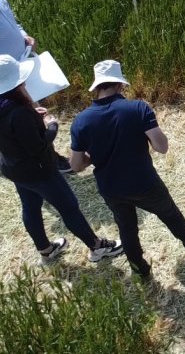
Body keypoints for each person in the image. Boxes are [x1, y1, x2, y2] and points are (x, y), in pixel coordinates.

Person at [70, 60, 185, 280]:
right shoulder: (137, 108)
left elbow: (75, 165)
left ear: (97, 87)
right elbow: (161, 147)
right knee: (170, 213)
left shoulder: (80, 122)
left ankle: (140, 269)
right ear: (120, 85)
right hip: (143, 182)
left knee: (127, 229)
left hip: (110, 188)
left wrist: (94, 155)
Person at [0, 56, 123, 266]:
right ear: (15, 84)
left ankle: (45, 250)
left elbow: (13, 134)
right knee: (69, 207)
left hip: (13, 169)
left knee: (30, 207)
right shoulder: (19, 112)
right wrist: (51, 125)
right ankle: (97, 246)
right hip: (39, 171)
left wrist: (33, 118)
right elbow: (37, 148)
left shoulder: (7, 107)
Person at [0, 0, 73, 173]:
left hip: (19, 69)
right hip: (4, 78)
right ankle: (48, 158)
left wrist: (25, 37)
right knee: (22, 118)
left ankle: (45, 154)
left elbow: (14, 24)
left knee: (32, 113)